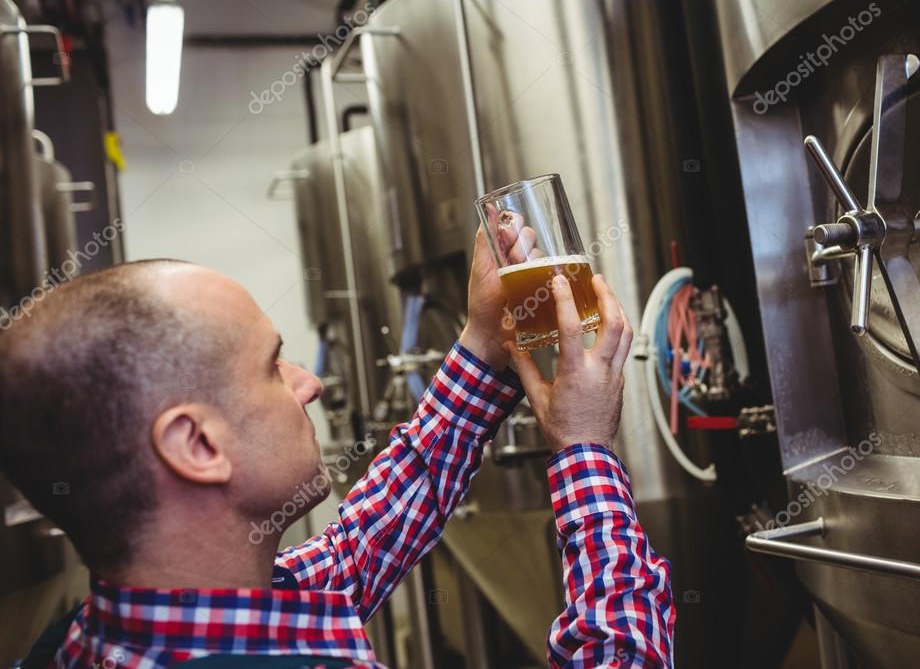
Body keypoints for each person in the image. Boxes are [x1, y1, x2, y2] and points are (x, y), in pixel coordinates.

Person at [0, 227, 675, 668]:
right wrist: (583, 448)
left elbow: (352, 553)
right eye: (273, 365)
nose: (310, 383)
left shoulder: (100, 636)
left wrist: (480, 347)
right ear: (196, 444)